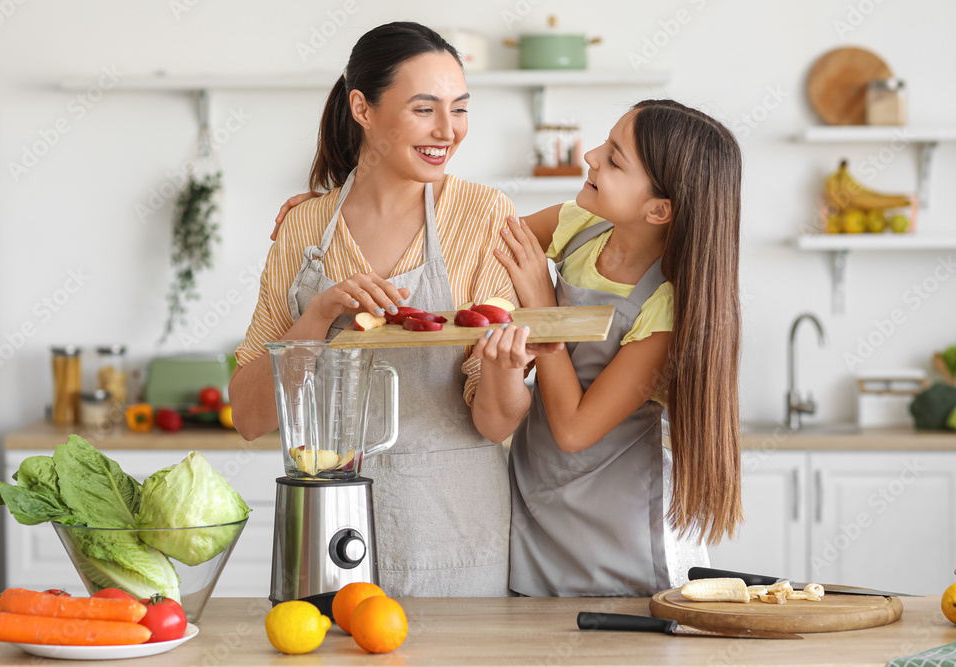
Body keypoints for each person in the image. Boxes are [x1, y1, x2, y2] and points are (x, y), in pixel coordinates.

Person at [229, 22, 530, 597]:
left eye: (460, 109)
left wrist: (505, 364)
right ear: (362, 108)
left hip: (453, 539)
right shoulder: (304, 227)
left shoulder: (483, 216)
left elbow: (495, 422)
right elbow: (248, 417)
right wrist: (318, 319)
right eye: (425, 109)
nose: (448, 130)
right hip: (320, 541)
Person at [471, 99, 744, 596]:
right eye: (606, 142)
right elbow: (467, 241)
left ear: (659, 209)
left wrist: (543, 309)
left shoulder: (665, 307)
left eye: (615, 159)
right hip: (539, 509)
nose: (591, 155)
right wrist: (332, 209)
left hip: (622, 539)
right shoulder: (578, 226)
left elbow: (575, 429)